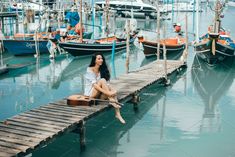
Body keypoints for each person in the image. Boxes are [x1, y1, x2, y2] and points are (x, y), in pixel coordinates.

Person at [84, 53, 126, 124]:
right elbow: (95, 85)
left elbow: (107, 84)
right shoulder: (89, 70)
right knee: (102, 81)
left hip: (98, 94)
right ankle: (112, 101)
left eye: (102, 58)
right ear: (95, 60)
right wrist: (108, 93)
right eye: (99, 59)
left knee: (109, 89)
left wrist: (112, 90)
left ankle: (118, 114)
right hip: (90, 94)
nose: (101, 60)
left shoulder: (102, 70)